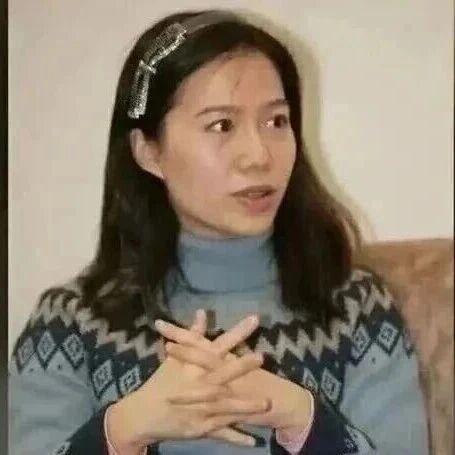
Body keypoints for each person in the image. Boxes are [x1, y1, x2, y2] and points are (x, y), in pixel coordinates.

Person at [9, 9, 429, 455]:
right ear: (148, 151)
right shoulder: (70, 323)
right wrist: (125, 428)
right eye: (221, 125)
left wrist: (299, 417)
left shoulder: (357, 308)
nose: (258, 155)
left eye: (276, 121)